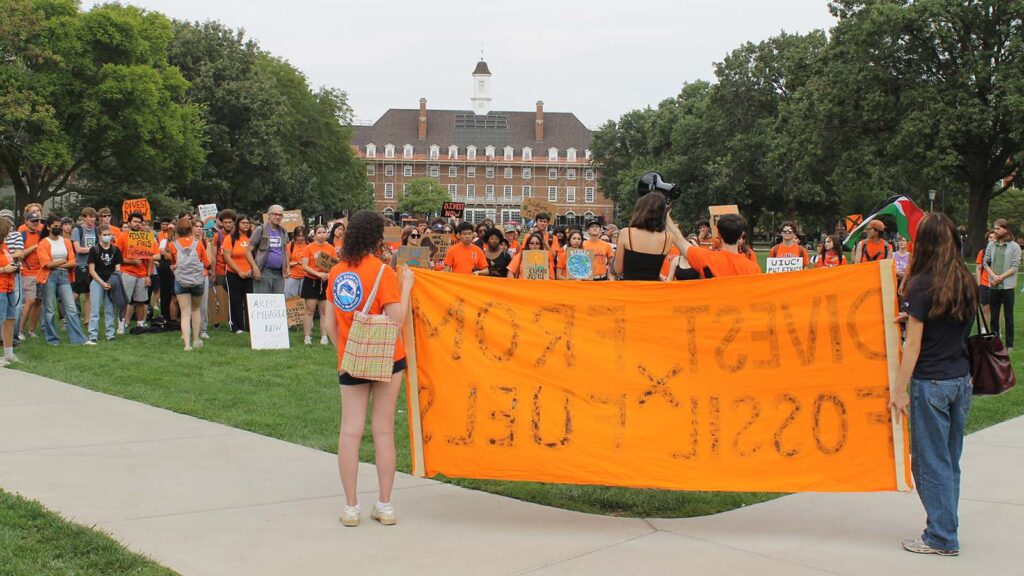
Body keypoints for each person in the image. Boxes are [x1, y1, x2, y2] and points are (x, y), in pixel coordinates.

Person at [889, 212, 977, 557]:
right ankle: (945, 526)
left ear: (922, 243)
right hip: (960, 379)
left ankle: (941, 536)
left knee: (927, 462)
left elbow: (914, 345)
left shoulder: (921, 283)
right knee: (949, 460)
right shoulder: (965, 279)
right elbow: (947, 320)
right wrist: (911, 318)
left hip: (932, 383)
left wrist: (898, 389)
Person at [322, 210, 414, 527]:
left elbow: (329, 323)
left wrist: (346, 350)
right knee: (383, 430)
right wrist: (406, 287)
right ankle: (384, 505)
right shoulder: (383, 272)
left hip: (352, 359)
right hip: (389, 358)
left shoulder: (336, 272)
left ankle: (351, 507)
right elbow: (395, 319)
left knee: (350, 431)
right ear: (377, 238)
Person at [37, 214, 87, 346]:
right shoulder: (43, 243)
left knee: (71, 308)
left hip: (64, 276)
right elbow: (46, 264)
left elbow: (72, 261)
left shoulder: (66, 241)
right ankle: (52, 339)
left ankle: (78, 339)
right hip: (49, 276)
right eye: (55, 226)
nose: (58, 228)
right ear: (48, 227)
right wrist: (63, 261)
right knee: (49, 309)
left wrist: (58, 263)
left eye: (59, 226)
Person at [666, 212, 762, 278]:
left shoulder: (706, 259)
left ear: (718, 234)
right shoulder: (753, 268)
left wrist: (665, 214)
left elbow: (678, 239)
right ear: (741, 235)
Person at [168, 217, 209, 351]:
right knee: (196, 310)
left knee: (185, 313)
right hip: (197, 280)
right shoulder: (198, 243)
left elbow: (175, 262)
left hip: (181, 281)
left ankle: (187, 345)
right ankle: (196, 340)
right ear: (191, 229)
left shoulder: (172, 245)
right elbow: (206, 262)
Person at [614, 193, 674, 281]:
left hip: (630, 290)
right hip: (653, 290)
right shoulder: (668, 238)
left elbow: (618, 270)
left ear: (640, 209)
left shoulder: (626, 233)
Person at [115, 211, 158, 333]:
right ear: (129, 223)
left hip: (143, 274)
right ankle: (121, 325)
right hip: (127, 273)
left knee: (141, 301)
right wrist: (131, 261)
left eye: (139, 222)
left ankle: (139, 325)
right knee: (124, 301)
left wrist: (149, 275)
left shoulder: (146, 238)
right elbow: (116, 258)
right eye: (135, 221)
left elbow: (150, 258)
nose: (137, 224)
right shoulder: (122, 238)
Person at [983, 218, 1019, 352]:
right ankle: (994, 343)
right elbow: (985, 263)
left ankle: (1009, 345)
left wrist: (1000, 278)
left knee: (1009, 317)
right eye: (995, 228)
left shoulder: (1014, 246)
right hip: (994, 286)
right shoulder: (991, 245)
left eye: (998, 228)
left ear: (1005, 229)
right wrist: (993, 276)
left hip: (1008, 287)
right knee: (994, 317)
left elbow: (1015, 267)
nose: (995, 231)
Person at [85, 224, 122, 345]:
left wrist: (111, 282)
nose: (107, 237)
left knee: (110, 309)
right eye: (104, 235)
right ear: (99, 236)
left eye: (108, 234)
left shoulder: (116, 250)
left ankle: (110, 334)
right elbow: (91, 269)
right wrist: (101, 283)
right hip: (96, 281)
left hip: (111, 282)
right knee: (94, 310)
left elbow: (117, 268)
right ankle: (93, 335)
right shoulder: (94, 250)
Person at [222, 214, 257, 333]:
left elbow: (257, 256)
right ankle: (236, 326)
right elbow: (227, 257)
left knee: (250, 301)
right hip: (234, 274)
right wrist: (239, 271)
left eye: (248, 223)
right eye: (243, 223)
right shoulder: (230, 238)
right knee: (235, 301)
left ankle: (250, 326)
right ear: (237, 224)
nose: (246, 225)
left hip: (250, 274)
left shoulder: (253, 238)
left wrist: (251, 270)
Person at [300, 225, 334, 345]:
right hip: (311, 281)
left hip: (325, 282)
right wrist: (317, 274)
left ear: (327, 234)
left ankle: (324, 336)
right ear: (314, 235)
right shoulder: (308, 248)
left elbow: (334, 266)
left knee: (324, 311)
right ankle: (307, 337)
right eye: (319, 232)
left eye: (324, 232)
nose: (321, 235)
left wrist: (329, 274)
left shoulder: (331, 248)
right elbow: (304, 266)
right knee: (310, 310)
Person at [249, 204, 290, 294]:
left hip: (279, 273)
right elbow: (247, 251)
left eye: (280, 215)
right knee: (263, 303)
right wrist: (255, 268)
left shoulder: (283, 231)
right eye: (275, 214)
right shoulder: (260, 229)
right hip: (264, 272)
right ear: (269, 215)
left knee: (277, 303)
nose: (278, 217)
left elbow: (285, 250)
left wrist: (288, 267)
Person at [18, 207, 44, 339]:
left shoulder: (41, 233)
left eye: (37, 220)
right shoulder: (22, 234)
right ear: (27, 221)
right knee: (29, 300)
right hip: (27, 272)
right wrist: (34, 247)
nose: (36, 223)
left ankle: (31, 330)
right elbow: (19, 255)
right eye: (33, 221)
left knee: (39, 301)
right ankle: (20, 330)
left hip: (41, 271)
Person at [0, 209, 24, 349]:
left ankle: (8, 353)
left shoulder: (4, 247)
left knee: (10, 319)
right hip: (1, 288)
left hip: (9, 286)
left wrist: (15, 267)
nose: (9, 234)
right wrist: (4, 269)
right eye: (7, 231)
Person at [71, 207, 99, 322]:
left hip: (92, 265)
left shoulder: (96, 230)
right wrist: (93, 249)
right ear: (84, 217)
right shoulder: (77, 230)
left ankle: (87, 321)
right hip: (81, 265)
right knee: (76, 294)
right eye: (90, 216)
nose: (93, 219)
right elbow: (78, 249)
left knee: (90, 294)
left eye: (94, 217)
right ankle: (68, 318)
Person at [976, 230, 996, 327]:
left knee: (997, 309)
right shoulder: (982, 252)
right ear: (987, 239)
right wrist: (979, 284)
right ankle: (984, 328)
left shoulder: (1001, 252)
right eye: (990, 237)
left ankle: (997, 329)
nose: (992, 239)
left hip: (998, 284)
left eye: (994, 237)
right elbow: (979, 268)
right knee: (985, 308)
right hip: (985, 284)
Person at [285, 225, 308, 299]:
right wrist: (297, 263)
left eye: (302, 235)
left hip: (306, 276)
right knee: (291, 300)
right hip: (292, 276)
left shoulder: (309, 246)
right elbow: (286, 263)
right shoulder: (289, 246)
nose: (301, 238)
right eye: (298, 236)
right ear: (294, 236)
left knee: (304, 299)